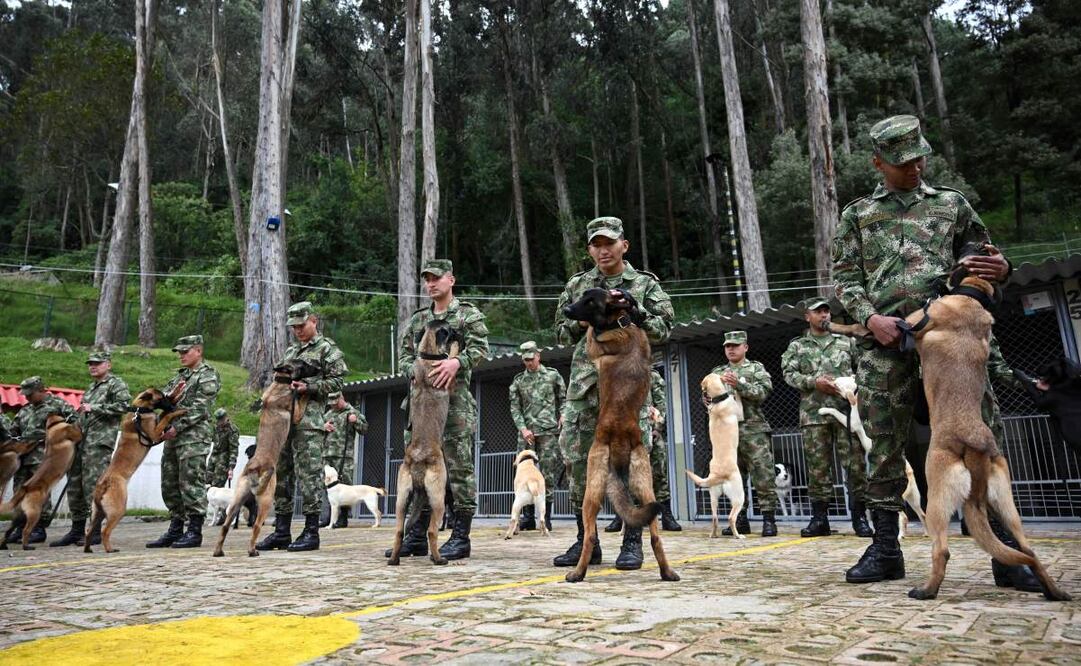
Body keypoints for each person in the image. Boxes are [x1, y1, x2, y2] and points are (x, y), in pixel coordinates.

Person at [832, 114, 1012, 584]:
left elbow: (987, 260)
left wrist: (1003, 268)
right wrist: (870, 319)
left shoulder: (952, 204)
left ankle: (1006, 553)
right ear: (878, 163)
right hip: (886, 345)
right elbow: (845, 279)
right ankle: (885, 548)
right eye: (903, 162)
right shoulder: (857, 215)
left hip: (952, 343)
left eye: (919, 159)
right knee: (883, 444)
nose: (914, 168)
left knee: (980, 434)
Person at [553, 216, 673, 571]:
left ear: (624, 245)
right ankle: (586, 540)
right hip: (585, 389)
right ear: (590, 250)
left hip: (627, 392)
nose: (603, 250)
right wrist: (584, 317)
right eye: (596, 245)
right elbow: (559, 332)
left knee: (632, 465)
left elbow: (665, 328)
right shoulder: (578, 284)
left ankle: (632, 542)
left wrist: (634, 309)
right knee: (578, 464)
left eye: (609, 243)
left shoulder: (644, 284)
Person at [388, 259, 488, 561]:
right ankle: (416, 535)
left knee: (459, 469)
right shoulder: (419, 319)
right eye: (427, 279)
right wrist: (413, 370)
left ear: (451, 280)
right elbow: (404, 356)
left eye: (436, 278)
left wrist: (457, 362)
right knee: (418, 467)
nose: (431, 284)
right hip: (420, 408)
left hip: (455, 407)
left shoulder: (467, 314)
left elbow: (481, 348)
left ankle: (460, 536)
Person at [255, 302, 347, 552]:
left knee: (309, 476)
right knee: (281, 474)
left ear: (313, 321)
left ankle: (311, 531)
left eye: (301, 325)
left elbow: (337, 381)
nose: (297, 330)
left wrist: (310, 387)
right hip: (284, 422)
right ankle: (281, 530)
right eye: (294, 327)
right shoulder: (291, 351)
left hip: (309, 422)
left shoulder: (327, 349)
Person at [781, 298, 872, 539]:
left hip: (846, 414)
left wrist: (854, 387)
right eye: (818, 312)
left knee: (855, 465)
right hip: (813, 415)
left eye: (826, 311)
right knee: (818, 469)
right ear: (807, 317)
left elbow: (863, 370)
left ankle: (860, 517)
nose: (824, 315)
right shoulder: (797, 346)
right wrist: (814, 382)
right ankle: (820, 519)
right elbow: (788, 374)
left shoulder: (846, 342)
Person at [146, 335, 220, 549]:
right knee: (169, 483)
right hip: (173, 437)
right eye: (179, 352)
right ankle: (176, 528)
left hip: (193, 438)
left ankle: (194, 531)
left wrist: (176, 427)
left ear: (198, 351)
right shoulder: (181, 376)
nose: (181, 355)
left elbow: (201, 408)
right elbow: (165, 399)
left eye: (185, 351)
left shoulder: (207, 375)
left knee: (191, 482)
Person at [51, 351, 131, 547]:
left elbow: (124, 406)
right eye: (90, 364)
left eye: (97, 363)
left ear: (108, 365)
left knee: (93, 487)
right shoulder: (91, 388)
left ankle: (94, 530)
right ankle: (77, 529)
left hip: (99, 444)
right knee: (75, 485)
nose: (92, 366)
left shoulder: (116, 384)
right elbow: (84, 415)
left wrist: (94, 407)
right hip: (82, 443)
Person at [708, 331, 779, 537]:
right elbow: (708, 396)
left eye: (735, 345)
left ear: (745, 347)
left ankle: (768, 519)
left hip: (753, 429)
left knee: (763, 474)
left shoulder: (756, 368)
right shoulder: (717, 372)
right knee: (733, 477)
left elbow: (764, 392)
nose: (730, 349)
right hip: (727, 433)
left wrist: (739, 384)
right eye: (727, 346)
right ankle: (740, 520)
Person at [606, 367, 682, 533]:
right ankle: (621, 516)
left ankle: (666, 516)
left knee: (659, 474)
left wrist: (658, 428)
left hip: (651, 432)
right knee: (624, 476)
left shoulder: (651, 375)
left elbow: (661, 404)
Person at [6, 377, 77, 544]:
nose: (27, 397)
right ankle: (20, 527)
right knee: (20, 490)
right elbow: (14, 429)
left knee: (39, 493)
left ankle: (38, 528)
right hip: (24, 457)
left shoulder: (58, 405)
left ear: (41, 390)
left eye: (30, 394)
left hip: (43, 457)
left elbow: (74, 423)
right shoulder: (26, 409)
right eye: (25, 394)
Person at [508, 340, 566, 532]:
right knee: (524, 474)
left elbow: (564, 399)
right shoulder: (518, 381)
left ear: (538, 356)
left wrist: (563, 414)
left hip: (548, 431)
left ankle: (545, 517)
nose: (529, 363)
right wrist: (522, 428)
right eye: (526, 360)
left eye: (531, 359)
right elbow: (515, 408)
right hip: (527, 434)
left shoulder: (552, 376)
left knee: (548, 474)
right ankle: (527, 518)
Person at [321, 391, 367, 528]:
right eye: (331, 404)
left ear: (342, 399)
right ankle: (328, 517)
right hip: (328, 454)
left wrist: (355, 421)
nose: (333, 406)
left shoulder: (353, 412)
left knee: (345, 486)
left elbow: (364, 429)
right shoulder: (328, 414)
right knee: (327, 486)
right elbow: (317, 430)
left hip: (344, 456)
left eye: (335, 403)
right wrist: (323, 427)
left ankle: (343, 518)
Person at [206, 409, 239, 488]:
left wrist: (231, 468)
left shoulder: (232, 430)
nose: (219, 422)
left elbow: (234, 449)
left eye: (221, 420)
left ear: (225, 418)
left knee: (216, 486)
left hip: (223, 462)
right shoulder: (216, 427)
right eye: (218, 420)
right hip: (213, 458)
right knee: (206, 482)